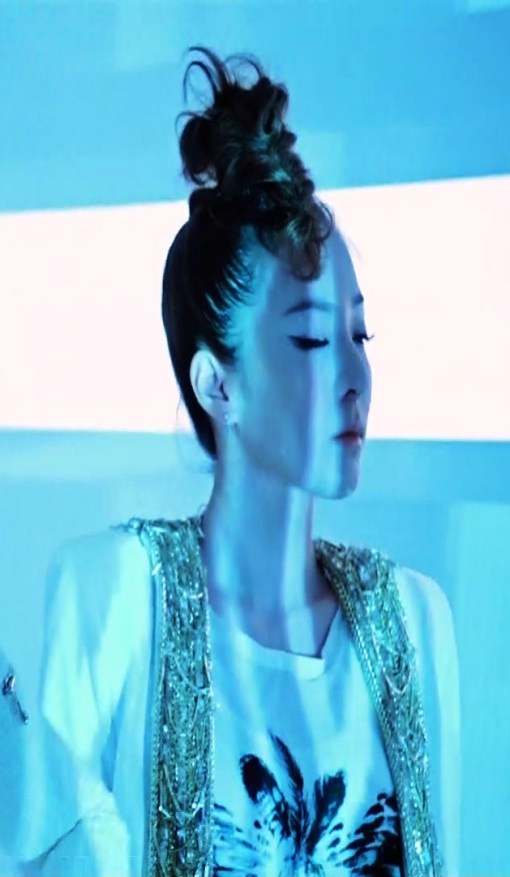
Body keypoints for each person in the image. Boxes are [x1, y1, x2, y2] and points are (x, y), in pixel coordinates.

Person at [0, 45, 460, 876]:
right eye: (311, 339)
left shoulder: (414, 622)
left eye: (360, 333)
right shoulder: (116, 597)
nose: (355, 377)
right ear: (217, 382)